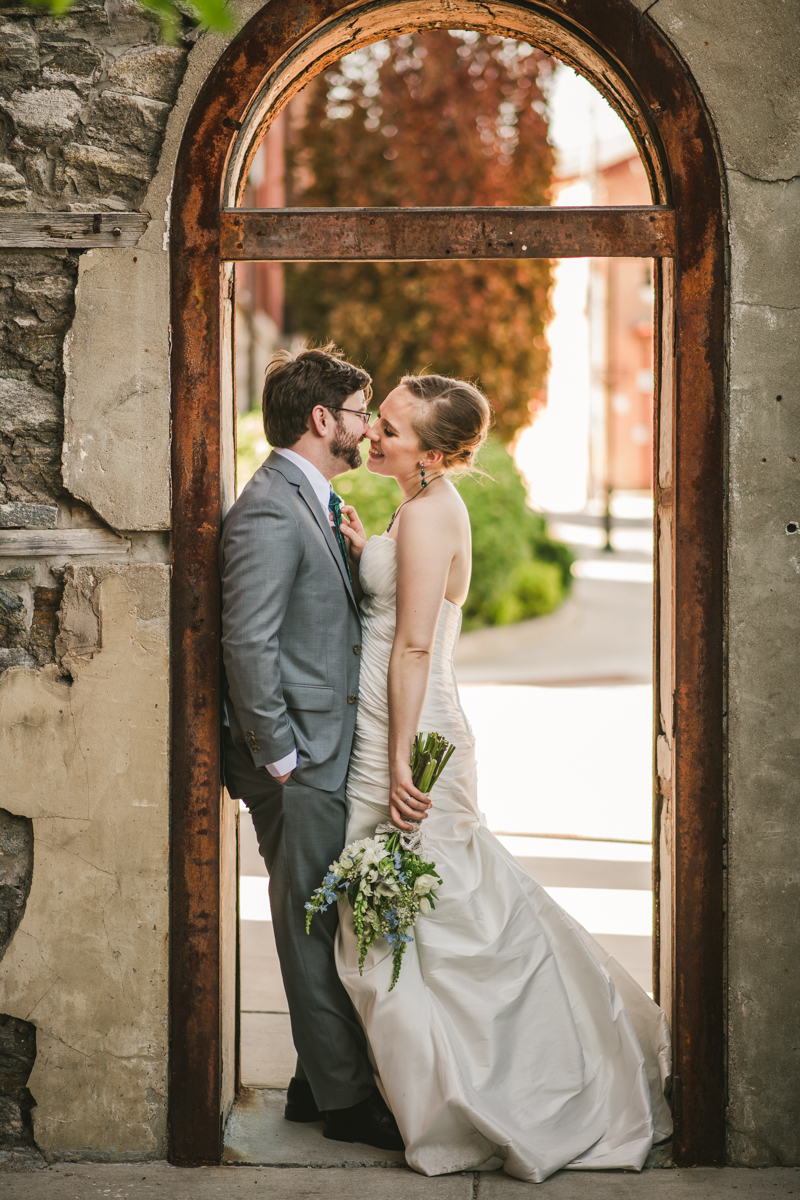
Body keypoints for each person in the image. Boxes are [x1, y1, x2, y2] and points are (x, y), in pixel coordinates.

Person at [334, 373, 673, 1182]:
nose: (374, 437)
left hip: (409, 731)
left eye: (392, 430)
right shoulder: (423, 507)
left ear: (436, 454)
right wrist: (364, 553)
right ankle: (450, 1080)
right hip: (410, 714)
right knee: (438, 905)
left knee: (412, 903)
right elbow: (408, 611)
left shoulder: (424, 516)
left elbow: (414, 648)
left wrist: (400, 764)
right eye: (377, 422)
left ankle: (489, 1094)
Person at [220, 345, 403, 1152]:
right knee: (310, 922)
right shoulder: (267, 507)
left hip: (327, 748)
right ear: (323, 419)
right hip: (298, 760)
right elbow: (247, 642)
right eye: (361, 412)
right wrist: (280, 754)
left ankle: (309, 1080)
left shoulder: (313, 498)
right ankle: (343, 1101)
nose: (367, 428)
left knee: (324, 921)